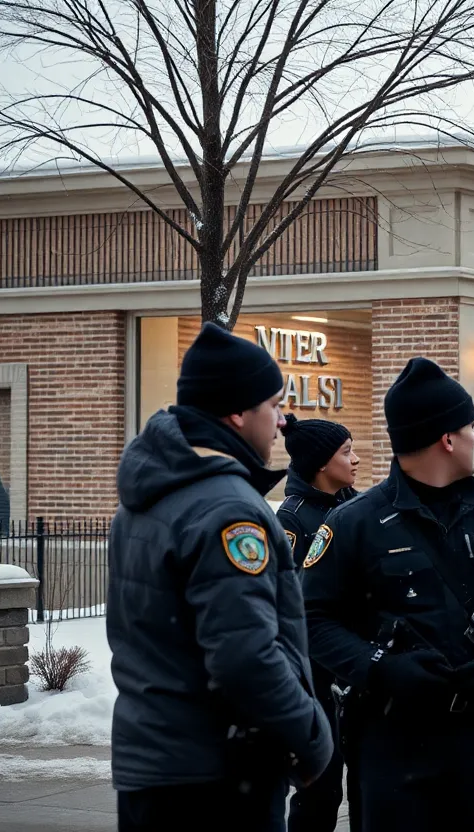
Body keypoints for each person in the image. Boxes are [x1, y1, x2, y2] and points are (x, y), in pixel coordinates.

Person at [302, 357, 474, 832]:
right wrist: (379, 668)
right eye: (471, 427)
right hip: (392, 737)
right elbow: (311, 619)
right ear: (447, 439)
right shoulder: (354, 523)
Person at [107, 322, 333, 832]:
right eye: (273, 406)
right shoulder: (228, 509)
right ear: (237, 413)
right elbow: (245, 655)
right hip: (217, 778)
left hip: (155, 768)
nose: (281, 422)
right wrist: (312, 738)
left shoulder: (148, 495)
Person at [276, 414, 360, 832]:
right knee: (321, 790)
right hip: (317, 674)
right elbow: (290, 602)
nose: (356, 459)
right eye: (347, 452)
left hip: (359, 668)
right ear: (322, 463)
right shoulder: (292, 520)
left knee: (369, 784)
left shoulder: (356, 507)